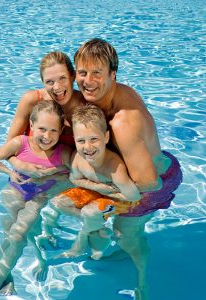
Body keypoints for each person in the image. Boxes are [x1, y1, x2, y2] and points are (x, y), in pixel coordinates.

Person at [69, 38, 182, 300]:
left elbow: (149, 183)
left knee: (125, 233)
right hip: (144, 167)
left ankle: (143, 280)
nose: (88, 81)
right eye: (82, 73)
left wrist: (91, 184)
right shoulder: (111, 93)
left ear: (112, 74)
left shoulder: (123, 122)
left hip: (156, 183)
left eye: (97, 73)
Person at [0, 100, 72, 298]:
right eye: (42, 129)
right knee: (12, 235)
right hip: (14, 191)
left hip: (37, 198)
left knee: (17, 234)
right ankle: (10, 275)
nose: (47, 136)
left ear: (60, 131)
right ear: (31, 125)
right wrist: (11, 172)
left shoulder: (63, 153)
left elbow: (74, 174)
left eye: (53, 131)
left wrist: (51, 173)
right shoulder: (20, 143)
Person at [50, 104, 141, 260]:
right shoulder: (79, 159)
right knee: (57, 201)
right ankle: (97, 224)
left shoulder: (113, 167)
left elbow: (134, 197)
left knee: (90, 212)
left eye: (94, 139)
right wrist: (98, 187)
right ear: (74, 140)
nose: (87, 147)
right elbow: (74, 179)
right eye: (81, 141)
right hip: (100, 191)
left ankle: (83, 236)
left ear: (105, 137)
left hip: (119, 198)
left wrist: (109, 192)